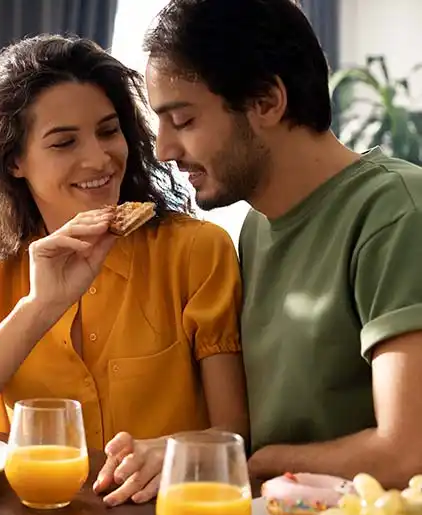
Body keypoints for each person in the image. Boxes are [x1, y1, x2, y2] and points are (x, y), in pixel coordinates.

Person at [0, 34, 248, 505]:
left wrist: (169, 451)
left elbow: (234, 432)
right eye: (64, 142)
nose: (98, 158)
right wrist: (40, 306)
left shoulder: (195, 250)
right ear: (15, 162)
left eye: (109, 131)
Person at [141, 0, 422, 488]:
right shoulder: (256, 227)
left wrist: (260, 464)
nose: (164, 150)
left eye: (183, 121)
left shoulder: (397, 213)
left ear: (267, 102)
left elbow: (407, 453)